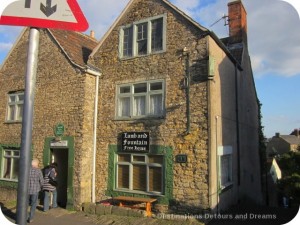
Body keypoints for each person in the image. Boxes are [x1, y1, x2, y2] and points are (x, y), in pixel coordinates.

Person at [28, 159, 44, 223]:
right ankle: (30, 218)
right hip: (35, 190)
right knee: (33, 204)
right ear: (36, 164)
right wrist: (42, 187)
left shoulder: (27, 170)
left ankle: (24, 216)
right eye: (38, 164)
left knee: (25, 204)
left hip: (27, 190)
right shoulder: (38, 171)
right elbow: (41, 181)